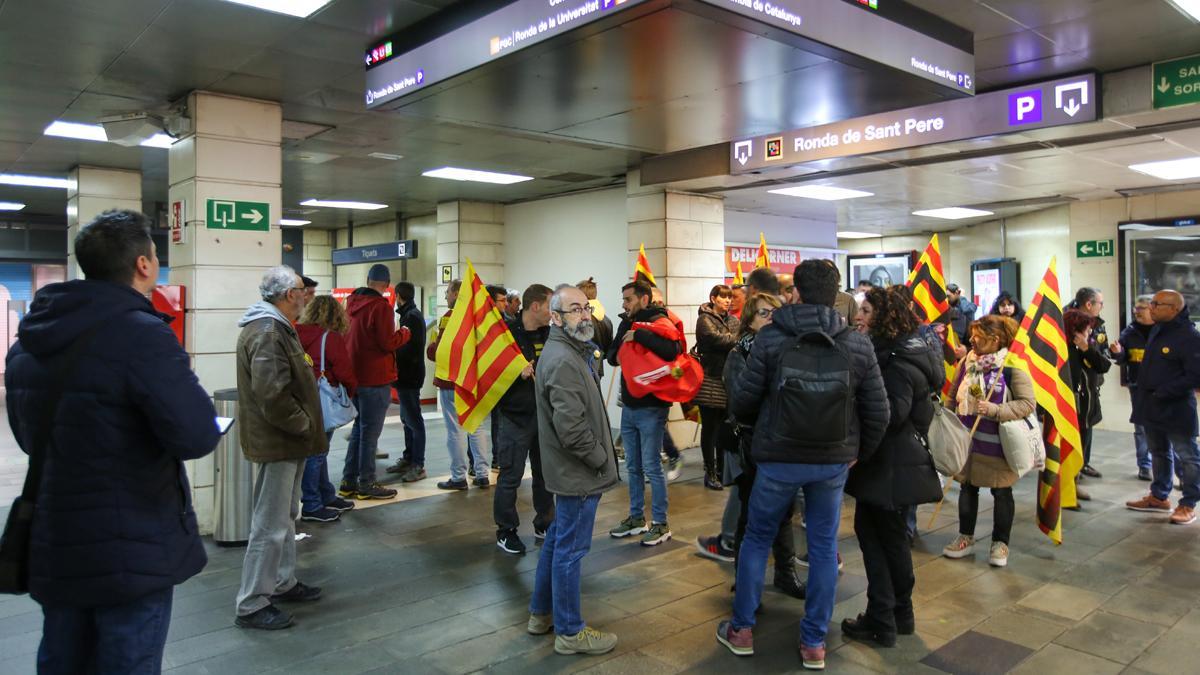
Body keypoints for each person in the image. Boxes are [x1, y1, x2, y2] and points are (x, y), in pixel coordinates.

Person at [5, 210, 220, 673]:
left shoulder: (28, 341)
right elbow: (197, 434)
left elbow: (29, 438)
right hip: (130, 545)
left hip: (56, 536)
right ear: (144, 265)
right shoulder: (143, 335)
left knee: (62, 659)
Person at [718, 260, 888, 667]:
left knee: (757, 539)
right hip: (831, 462)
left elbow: (742, 400)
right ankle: (814, 642)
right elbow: (878, 412)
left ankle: (741, 630)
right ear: (836, 294)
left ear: (795, 291)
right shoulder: (857, 343)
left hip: (777, 459)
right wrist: (855, 453)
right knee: (825, 549)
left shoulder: (772, 338)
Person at [842, 287, 944, 647]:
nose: (859, 316)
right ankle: (901, 614)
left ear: (884, 316)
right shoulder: (911, 351)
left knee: (876, 539)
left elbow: (892, 414)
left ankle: (880, 620)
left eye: (866, 311)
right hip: (896, 462)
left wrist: (859, 445)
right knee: (894, 539)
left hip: (887, 463)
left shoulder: (895, 359)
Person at [526, 285, 620, 654]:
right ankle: (569, 631)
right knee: (570, 549)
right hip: (578, 472)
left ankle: (541, 612)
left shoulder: (572, 351)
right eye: (575, 310)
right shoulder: (564, 360)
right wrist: (601, 459)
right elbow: (572, 430)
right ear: (555, 317)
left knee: (557, 540)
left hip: (571, 470)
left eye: (586, 308)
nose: (584, 316)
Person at [234, 265, 328, 630]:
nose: (307, 296)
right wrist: (303, 424)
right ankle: (252, 602)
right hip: (280, 441)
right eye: (304, 290)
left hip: (289, 442)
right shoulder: (269, 331)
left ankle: (281, 581)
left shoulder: (275, 327)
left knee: (286, 516)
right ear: (290, 294)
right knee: (269, 523)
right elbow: (272, 395)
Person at [695, 293, 784, 564]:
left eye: (774, 313)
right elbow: (739, 399)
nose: (770, 319)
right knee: (746, 490)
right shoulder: (741, 352)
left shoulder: (785, 349)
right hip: (751, 437)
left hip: (779, 439)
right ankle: (731, 540)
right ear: (750, 319)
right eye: (763, 313)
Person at [942, 315, 1035, 568]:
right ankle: (965, 537)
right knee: (967, 487)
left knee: (1001, 492)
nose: (971, 339)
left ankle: (1000, 543)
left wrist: (995, 409)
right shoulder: (966, 362)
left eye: (977, 336)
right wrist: (947, 421)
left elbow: (1027, 404)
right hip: (968, 441)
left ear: (995, 340)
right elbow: (952, 397)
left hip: (999, 445)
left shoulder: (1012, 365)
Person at [607, 280, 682, 546]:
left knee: (652, 466)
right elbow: (612, 355)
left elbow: (674, 351)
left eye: (628, 299)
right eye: (624, 299)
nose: (624, 304)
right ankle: (637, 518)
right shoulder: (625, 322)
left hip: (652, 407)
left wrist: (640, 336)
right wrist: (626, 341)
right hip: (629, 405)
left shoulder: (661, 322)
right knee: (633, 465)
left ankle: (661, 524)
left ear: (644, 299)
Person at [1125, 290, 1200, 525]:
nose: (1152, 307)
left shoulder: (1189, 337)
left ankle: (1188, 503)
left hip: (1176, 408)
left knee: (1187, 456)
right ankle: (1159, 496)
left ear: (1175, 309)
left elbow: (1195, 375)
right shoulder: (1158, 330)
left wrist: (1164, 391)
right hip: (1151, 406)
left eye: (1158, 304)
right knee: (1158, 452)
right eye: (1152, 303)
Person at [339, 264, 410, 500]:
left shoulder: (350, 304)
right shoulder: (380, 307)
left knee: (359, 431)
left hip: (355, 378)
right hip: (375, 378)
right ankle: (367, 483)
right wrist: (405, 333)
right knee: (370, 434)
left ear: (368, 280)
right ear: (386, 285)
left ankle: (348, 481)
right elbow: (387, 342)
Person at [494, 284, 556, 555]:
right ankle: (506, 530)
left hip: (545, 417)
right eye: (549, 306)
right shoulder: (506, 336)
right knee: (511, 476)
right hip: (516, 417)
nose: (552, 313)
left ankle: (545, 522)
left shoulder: (551, 335)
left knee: (544, 476)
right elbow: (491, 373)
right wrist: (513, 373)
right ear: (535, 307)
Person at [295, 295, 358, 522]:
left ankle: (326, 494)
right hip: (323, 400)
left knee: (317, 450)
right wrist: (348, 393)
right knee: (317, 453)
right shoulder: (330, 338)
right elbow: (345, 372)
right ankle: (312, 504)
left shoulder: (296, 334)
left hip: (301, 397)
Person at [428, 279, 493, 489]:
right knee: (477, 428)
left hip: (451, 383)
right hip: (473, 381)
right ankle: (482, 474)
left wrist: (431, 345)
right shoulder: (478, 319)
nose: (446, 296)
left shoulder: (449, 318)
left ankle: (458, 477)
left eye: (448, 292)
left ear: (457, 294)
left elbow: (441, 352)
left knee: (455, 430)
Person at [1117, 296, 1176, 481]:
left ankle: (1177, 472)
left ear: (1152, 308)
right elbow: (1122, 359)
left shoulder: (1166, 332)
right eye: (1135, 308)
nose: (1136, 311)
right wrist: (1117, 353)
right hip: (1139, 387)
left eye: (1141, 307)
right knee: (1141, 428)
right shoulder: (1128, 333)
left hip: (1164, 388)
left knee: (1169, 429)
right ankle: (1144, 466)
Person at [1069, 287, 1119, 479]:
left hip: (1091, 380)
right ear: (1089, 304)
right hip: (1074, 384)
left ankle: (1083, 464)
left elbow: (1103, 354)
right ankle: (1072, 470)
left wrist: (1101, 354)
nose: (1102, 307)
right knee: (1076, 427)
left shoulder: (1098, 323)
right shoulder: (1070, 320)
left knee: (1087, 425)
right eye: (1100, 303)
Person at [694, 284, 739, 489]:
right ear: (713, 298)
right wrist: (736, 338)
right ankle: (710, 472)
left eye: (730, 298)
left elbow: (731, 340)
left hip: (728, 378)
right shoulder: (705, 318)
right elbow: (714, 339)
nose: (728, 301)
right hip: (710, 379)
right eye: (723, 297)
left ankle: (721, 471)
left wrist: (734, 339)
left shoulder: (733, 319)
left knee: (723, 429)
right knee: (710, 429)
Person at [1065, 307, 1110, 502]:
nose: (1090, 332)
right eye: (1086, 328)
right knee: (1068, 451)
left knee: (1082, 449)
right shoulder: (1065, 351)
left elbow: (1104, 366)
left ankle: (1074, 483)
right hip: (1072, 410)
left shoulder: (1085, 348)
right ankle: (1067, 488)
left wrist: (1086, 349)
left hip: (1087, 411)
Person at [385, 281, 428, 483]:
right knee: (406, 420)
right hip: (406, 376)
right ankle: (409, 458)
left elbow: (408, 348)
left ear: (399, 296)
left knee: (414, 420)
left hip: (409, 376)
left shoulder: (411, 317)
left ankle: (418, 464)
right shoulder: (409, 315)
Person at [577, 277, 613, 379]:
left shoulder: (579, 318)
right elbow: (607, 350)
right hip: (597, 368)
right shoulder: (606, 320)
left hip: (581, 369)